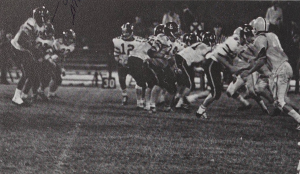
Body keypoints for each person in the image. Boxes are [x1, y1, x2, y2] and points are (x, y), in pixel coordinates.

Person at [240, 17, 300, 130]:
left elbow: (261, 59)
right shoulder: (273, 35)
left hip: (279, 69)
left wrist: (249, 71)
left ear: (256, 28)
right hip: (286, 65)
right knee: (283, 99)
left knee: (279, 102)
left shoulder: (260, 39)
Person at [10, 6, 49, 106]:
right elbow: (21, 40)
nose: (43, 19)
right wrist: (34, 50)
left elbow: (35, 42)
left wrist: (37, 50)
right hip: (17, 48)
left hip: (24, 50)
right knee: (27, 72)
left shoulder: (43, 26)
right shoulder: (31, 22)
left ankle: (22, 95)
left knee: (32, 73)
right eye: (41, 17)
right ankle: (16, 97)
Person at [112, 22, 147, 105]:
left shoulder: (140, 41)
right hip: (123, 63)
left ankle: (142, 98)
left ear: (131, 32)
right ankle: (124, 95)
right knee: (121, 79)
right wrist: (120, 61)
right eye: (123, 32)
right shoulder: (117, 41)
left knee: (141, 81)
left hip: (135, 64)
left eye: (126, 32)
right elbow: (116, 55)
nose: (124, 35)